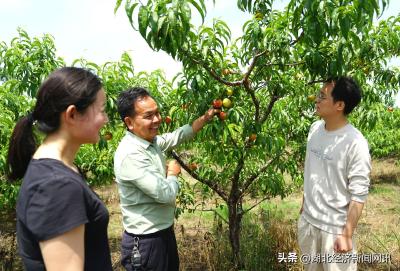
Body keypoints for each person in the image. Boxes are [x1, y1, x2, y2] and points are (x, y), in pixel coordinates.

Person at [6, 67, 112, 271]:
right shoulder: (57, 185)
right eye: (101, 110)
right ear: (72, 114)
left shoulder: (63, 169)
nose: (106, 119)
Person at [114, 87, 216, 271]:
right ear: (129, 122)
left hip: (162, 234)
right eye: (148, 116)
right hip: (145, 243)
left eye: (158, 113)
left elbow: (176, 136)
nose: (157, 120)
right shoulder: (131, 154)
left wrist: (205, 118)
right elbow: (166, 194)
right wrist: (173, 174)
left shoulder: (150, 142)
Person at [298, 76, 371, 271]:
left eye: (322, 96)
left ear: (339, 105)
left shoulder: (355, 143)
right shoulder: (314, 130)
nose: (316, 99)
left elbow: (359, 192)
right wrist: (305, 205)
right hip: (309, 223)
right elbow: (312, 171)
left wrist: (347, 234)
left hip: (334, 229)